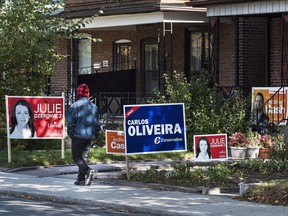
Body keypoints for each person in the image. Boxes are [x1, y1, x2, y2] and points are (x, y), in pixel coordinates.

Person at [66, 83, 100, 186]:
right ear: (87, 93)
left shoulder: (75, 106)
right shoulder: (94, 107)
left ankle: (88, 171)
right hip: (90, 135)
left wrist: (71, 133)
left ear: (78, 93)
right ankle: (81, 179)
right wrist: (96, 135)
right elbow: (96, 123)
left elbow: (70, 121)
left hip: (78, 135)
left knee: (76, 157)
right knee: (83, 157)